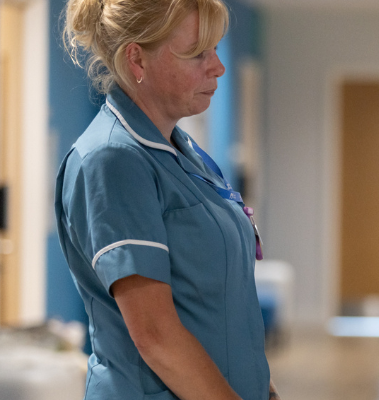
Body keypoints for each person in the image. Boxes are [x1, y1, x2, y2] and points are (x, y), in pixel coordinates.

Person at [55, 1, 278, 398]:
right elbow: (156, 336)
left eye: (215, 50)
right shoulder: (113, 161)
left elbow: (221, 310)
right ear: (137, 58)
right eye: (197, 54)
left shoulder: (183, 151)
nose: (218, 68)